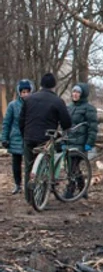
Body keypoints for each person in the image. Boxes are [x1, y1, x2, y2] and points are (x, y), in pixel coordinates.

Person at [19, 73, 72, 202]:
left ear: (41, 85)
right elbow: (66, 123)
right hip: (46, 139)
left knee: (29, 167)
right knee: (44, 168)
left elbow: (21, 120)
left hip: (29, 137)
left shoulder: (29, 99)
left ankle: (29, 198)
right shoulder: (58, 101)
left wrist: (24, 135)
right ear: (54, 86)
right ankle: (41, 199)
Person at [1, 79, 33, 194]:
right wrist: (4, 138)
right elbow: (7, 123)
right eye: (23, 92)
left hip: (30, 137)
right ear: (19, 92)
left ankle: (30, 184)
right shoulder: (12, 105)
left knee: (30, 163)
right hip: (16, 138)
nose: (25, 94)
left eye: (27, 92)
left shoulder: (33, 104)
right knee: (16, 163)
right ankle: (18, 184)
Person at [66, 83, 98, 198]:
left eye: (78, 92)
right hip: (69, 141)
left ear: (83, 94)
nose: (75, 94)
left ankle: (70, 190)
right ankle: (83, 189)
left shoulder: (89, 109)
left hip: (81, 143)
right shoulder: (69, 107)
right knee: (72, 166)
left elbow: (93, 128)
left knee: (73, 167)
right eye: (74, 91)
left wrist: (89, 143)